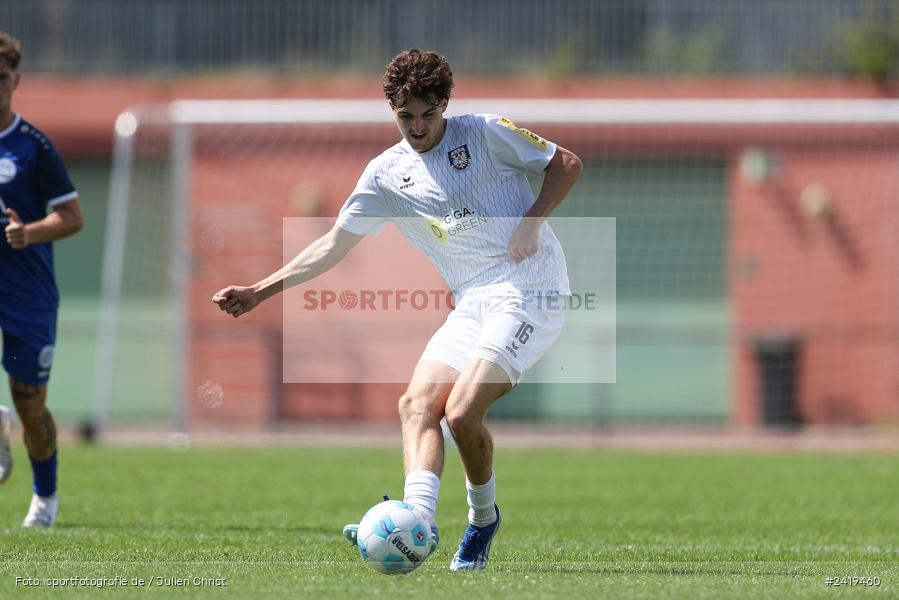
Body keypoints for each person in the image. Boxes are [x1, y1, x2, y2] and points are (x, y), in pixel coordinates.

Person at [213, 49, 581, 570]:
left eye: (428, 115)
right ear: (391, 108)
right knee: (415, 405)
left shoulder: (483, 132)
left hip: (531, 288)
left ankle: (481, 521)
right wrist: (258, 290)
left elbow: (566, 164)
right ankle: (417, 524)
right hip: (473, 299)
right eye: (406, 116)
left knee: (461, 412)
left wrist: (532, 221)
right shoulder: (385, 175)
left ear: (445, 105)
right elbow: (332, 246)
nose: (418, 127)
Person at [0, 32, 84, 527]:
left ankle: (45, 498)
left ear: (16, 81)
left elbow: (73, 217)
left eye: (2, 76)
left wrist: (26, 234)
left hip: (27, 290)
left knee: (31, 405)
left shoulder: (34, 147)